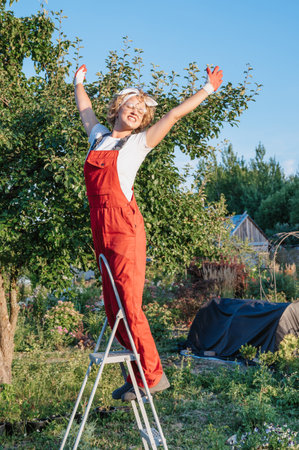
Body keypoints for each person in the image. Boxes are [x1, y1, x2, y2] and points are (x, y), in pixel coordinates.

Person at [74, 63, 223, 401]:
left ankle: (152, 376)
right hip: (101, 229)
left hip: (125, 230)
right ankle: (135, 373)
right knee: (113, 310)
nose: (138, 112)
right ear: (117, 108)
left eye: (142, 111)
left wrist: (208, 89)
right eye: (133, 106)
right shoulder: (98, 136)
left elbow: (172, 115)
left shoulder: (139, 143)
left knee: (129, 304)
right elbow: (84, 108)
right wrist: (78, 82)